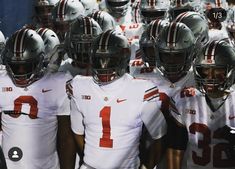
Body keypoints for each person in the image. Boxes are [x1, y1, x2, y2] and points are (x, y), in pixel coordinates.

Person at [67, 30, 168, 169]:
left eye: (110, 60)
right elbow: (77, 132)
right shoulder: (79, 86)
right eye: (99, 59)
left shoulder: (140, 90)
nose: (103, 65)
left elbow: (160, 136)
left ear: (123, 58)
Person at [0, 28, 76, 169]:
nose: (21, 72)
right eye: (16, 67)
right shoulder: (2, 80)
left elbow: (65, 138)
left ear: (41, 60)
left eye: (26, 65)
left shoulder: (59, 84)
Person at [167, 40, 235, 169]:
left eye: (217, 70)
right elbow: (175, 148)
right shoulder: (185, 100)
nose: (210, 76)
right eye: (205, 70)